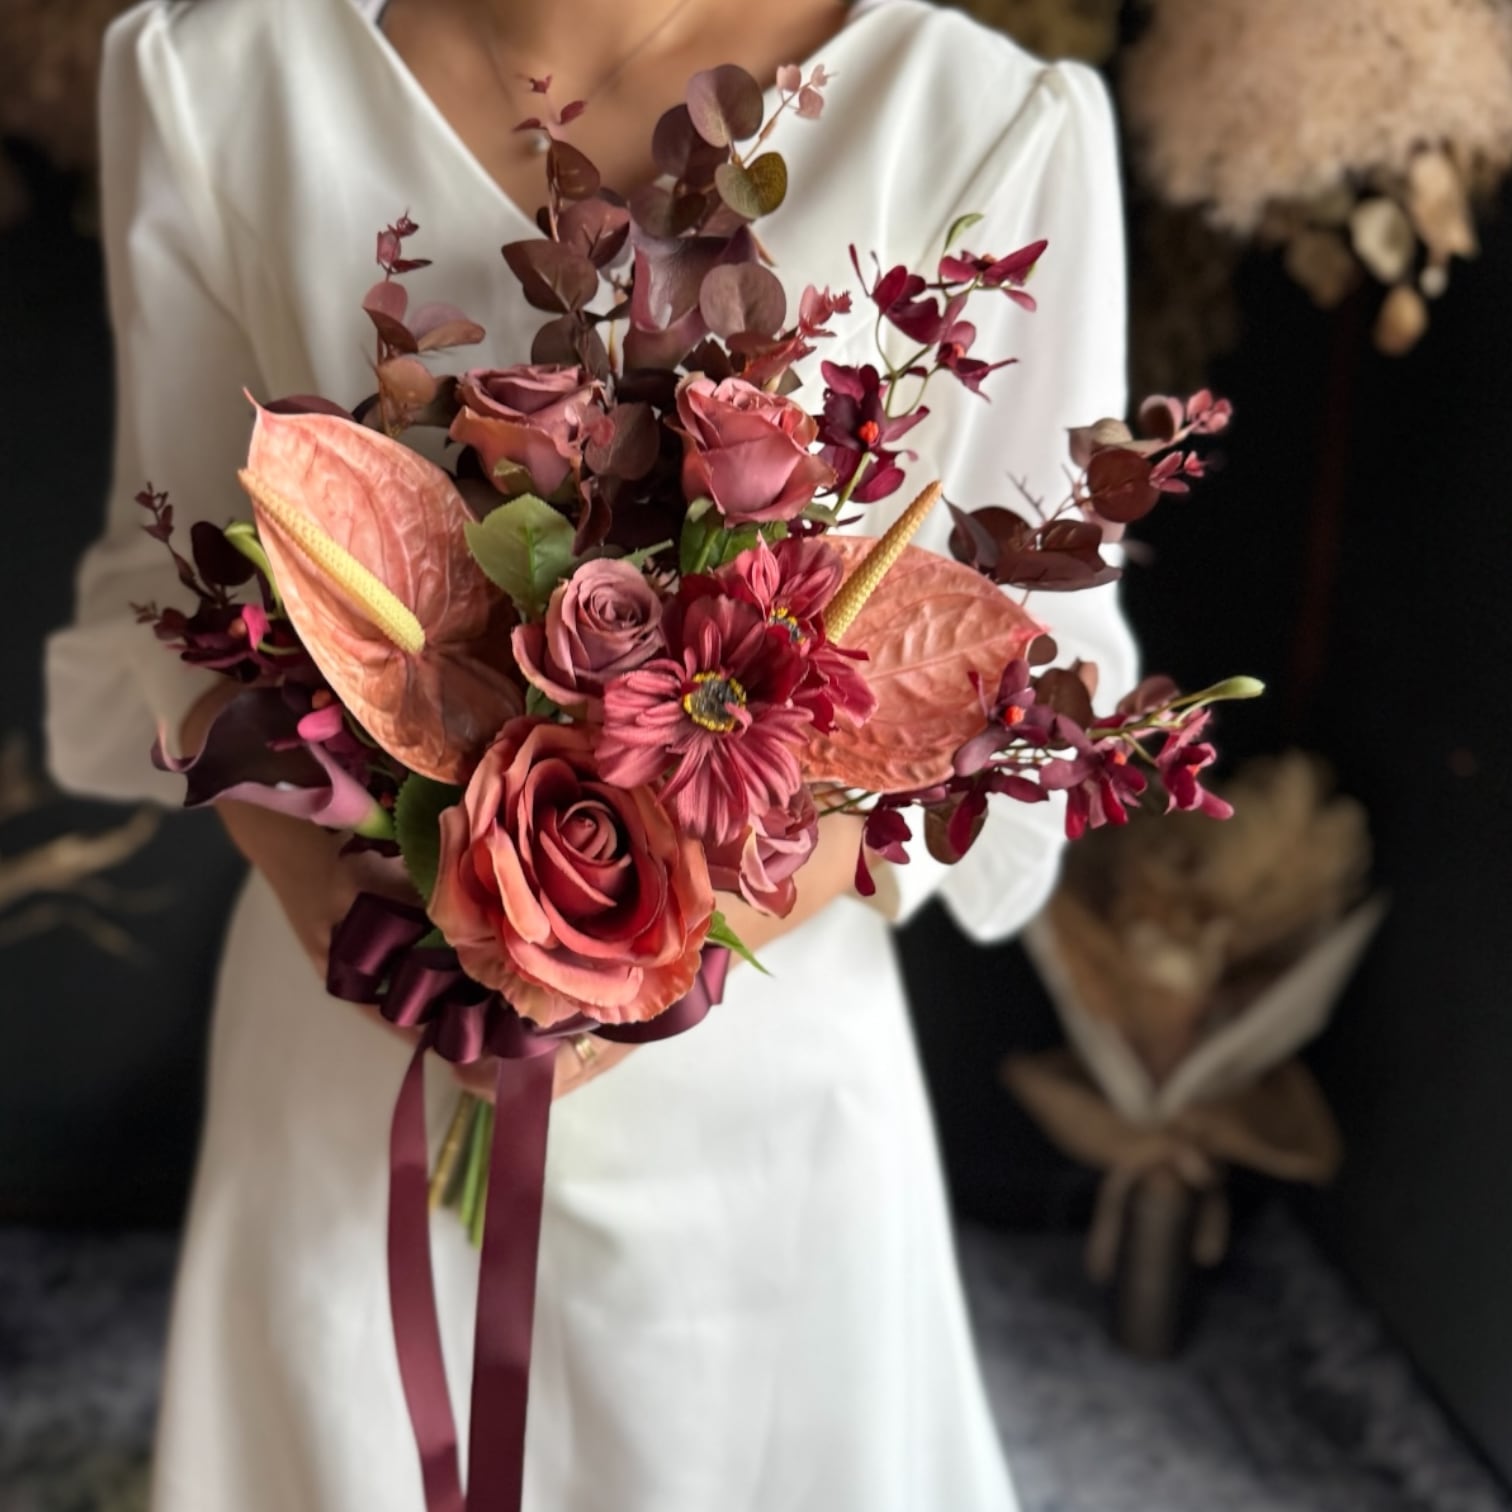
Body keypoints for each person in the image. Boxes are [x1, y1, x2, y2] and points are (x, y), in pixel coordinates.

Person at [46, 0, 1137, 1506]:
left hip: (756, 1090)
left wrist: (634, 952)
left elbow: (1029, 692)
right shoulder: (215, 77)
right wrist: (346, 917)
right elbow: (161, 600)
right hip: (357, 1033)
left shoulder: (980, 118)